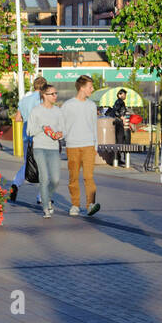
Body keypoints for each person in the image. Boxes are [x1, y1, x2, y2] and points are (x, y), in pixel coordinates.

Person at [61, 75, 100, 217]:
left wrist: (96, 145)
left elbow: (94, 125)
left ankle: (90, 205)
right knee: (73, 177)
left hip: (89, 145)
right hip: (72, 146)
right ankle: (75, 205)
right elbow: (62, 125)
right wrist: (62, 140)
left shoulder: (91, 105)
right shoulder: (67, 105)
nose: (92, 89)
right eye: (90, 87)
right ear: (82, 88)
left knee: (89, 177)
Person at [9, 77, 47, 204]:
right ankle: (41, 196)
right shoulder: (43, 100)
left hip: (26, 136)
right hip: (40, 137)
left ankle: (15, 184)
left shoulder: (24, 100)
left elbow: (18, 118)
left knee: (28, 163)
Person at [30, 85, 66, 218]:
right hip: (39, 147)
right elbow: (30, 131)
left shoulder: (58, 111)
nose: (55, 96)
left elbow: (63, 129)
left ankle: (48, 198)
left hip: (53, 148)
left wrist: (58, 134)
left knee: (55, 179)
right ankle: (46, 207)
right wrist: (43, 128)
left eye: (56, 93)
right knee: (44, 178)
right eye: (52, 94)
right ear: (44, 95)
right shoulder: (36, 111)